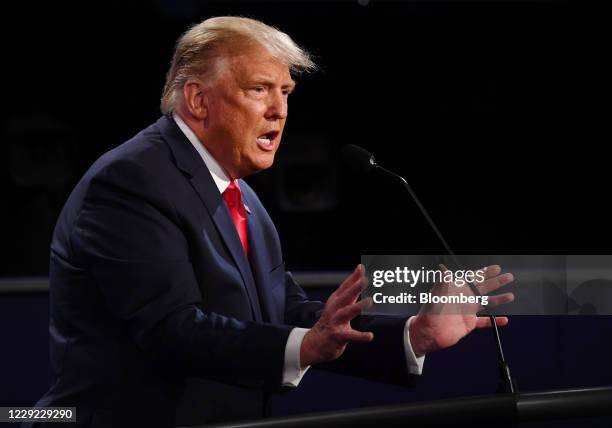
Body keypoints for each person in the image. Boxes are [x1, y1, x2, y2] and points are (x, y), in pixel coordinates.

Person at [29, 16, 512, 428]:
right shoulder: (131, 182)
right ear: (198, 100)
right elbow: (168, 329)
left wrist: (413, 335)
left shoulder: (245, 201)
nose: (279, 109)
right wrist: (306, 346)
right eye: (258, 89)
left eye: (285, 92)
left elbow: (287, 313)